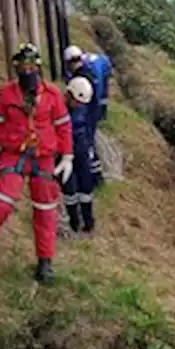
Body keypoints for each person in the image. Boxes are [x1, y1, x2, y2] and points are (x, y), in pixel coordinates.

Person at [0, 43, 74, 284]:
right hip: (14, 154)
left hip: (43, 158)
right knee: (0, 205)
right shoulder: (8, 94)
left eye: (31, 67)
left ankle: (45, 262)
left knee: (45, 211)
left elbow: (63, 126)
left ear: (38, 68)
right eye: (22, 67)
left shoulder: (52, 96)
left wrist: (67, 156)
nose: (27, 71)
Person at [63, 45, 114, 183]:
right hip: (90, 107)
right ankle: (95, 174)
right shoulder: (88, 68)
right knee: (87, 140)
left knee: (87, 140)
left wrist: (96, 114)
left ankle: (94, 176)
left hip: (89, 110)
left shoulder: (88, 74)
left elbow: (96, 98)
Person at [62, 75, 98, 235]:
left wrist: (90, 148)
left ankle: (88, 221)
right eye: (76, 102)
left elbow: (90, 127)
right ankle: (74, 221)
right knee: (69, 189)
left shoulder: (84, 108)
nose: (78, 105)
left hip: (81, 150)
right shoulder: (58, 108)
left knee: (86, 187)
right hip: (64, 152)